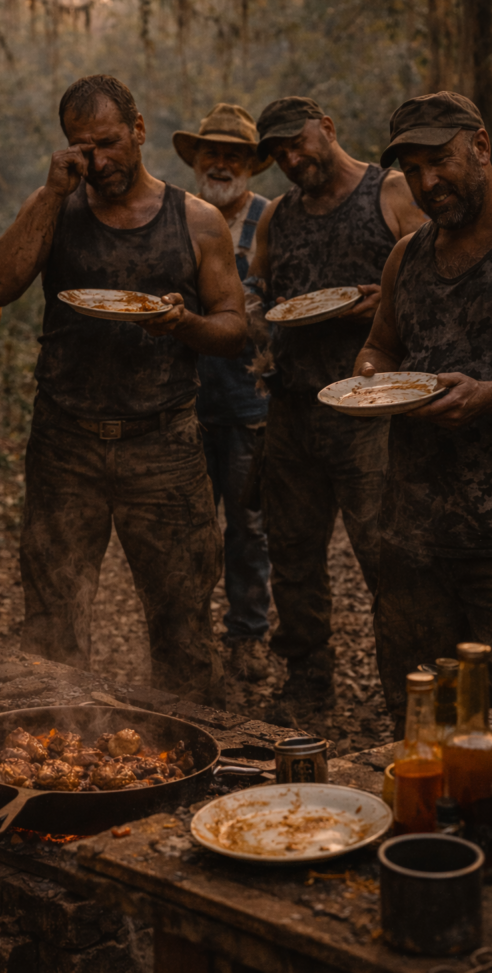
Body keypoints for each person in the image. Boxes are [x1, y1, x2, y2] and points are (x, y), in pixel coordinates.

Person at [0, 74, 246, 707]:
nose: (97, 159)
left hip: (164, 445)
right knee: (52, 619)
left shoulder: (198, 220)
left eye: (107, 141)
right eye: (81, 146)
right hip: (65, 443)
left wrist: (186, 324)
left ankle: (190, 748)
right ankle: (53, 744)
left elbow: (235, 328)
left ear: (139, 131)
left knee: (182, 619)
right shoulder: (57, 207)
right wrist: (51, 192)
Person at [248, 96, 426, 723]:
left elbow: (437, 277)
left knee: (387, 554)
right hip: (293, 410)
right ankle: (306, 685)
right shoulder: (277, 215)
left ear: (326, 126)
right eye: (278, 155)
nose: (292, 159)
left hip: (368, 410)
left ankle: (410, 693)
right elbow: (259, 294)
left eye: (298, 142)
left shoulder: (393, 191)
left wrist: (384, 303)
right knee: (293, 556)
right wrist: (251, 315)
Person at [355, 91, 492, 733]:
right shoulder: (407, 257)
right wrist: (370, 382)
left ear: (479, 146)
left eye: (439, 161)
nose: (426, 183)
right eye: (412, 169)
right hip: (413, 541)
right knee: (420, 726)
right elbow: (379, 345)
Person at [173, 103, 272, 682]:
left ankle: (248, 635)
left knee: (248, 525)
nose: (221, 163)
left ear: (251, 166)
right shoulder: (180, 217)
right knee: (186, 527)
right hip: (185, 400)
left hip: (249, 400)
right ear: (196, 158)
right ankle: (187, 641)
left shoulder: (271, 220)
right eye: (212, 152)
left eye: (233, 155)